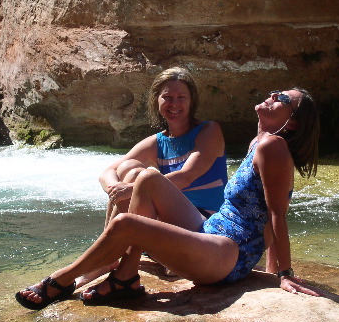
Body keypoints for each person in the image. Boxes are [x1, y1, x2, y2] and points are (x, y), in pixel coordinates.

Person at [15, 88, 321, 310]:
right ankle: (125, 276)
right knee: (147, 178)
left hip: (228, 254)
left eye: (282, 98)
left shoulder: (275, 147)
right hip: (211, 230)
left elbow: (277, 213)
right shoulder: (260, 139)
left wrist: (282, 274)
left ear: (292, 122)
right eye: (276, 91)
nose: (272, 94)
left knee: (125, 224)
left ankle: (61, 279)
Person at [74, 67, 228, 287]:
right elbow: (107, 173)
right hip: (168, 226)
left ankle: (107, 257)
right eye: (167, 97)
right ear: (156, 100)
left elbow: (186, 176)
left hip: (203, 224)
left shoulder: (209, 131)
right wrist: (116, 188)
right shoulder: (157, 141)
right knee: (130, 168)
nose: (174, 104)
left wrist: (131, 189)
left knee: (140, 177)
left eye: (181, 97)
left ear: (192, 100)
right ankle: (109, 257)